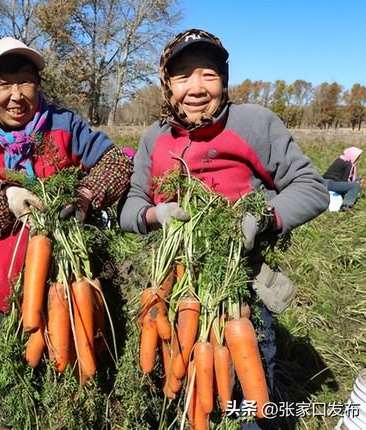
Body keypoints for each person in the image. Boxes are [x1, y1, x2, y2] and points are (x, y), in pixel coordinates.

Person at [118, 29, 328, 429]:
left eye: (208, 75)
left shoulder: (255, 124)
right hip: (176, 289)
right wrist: (154, 215)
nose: (196, 88)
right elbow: (131, 207)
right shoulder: (154, 138)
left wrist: (264, 217)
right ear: (168, 85)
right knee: (178, 379)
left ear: (224, 81)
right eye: (182, 76)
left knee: (254, 386)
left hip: (241, 288)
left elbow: (312, 187)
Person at [0, 37, 132, 360]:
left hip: (67, 292)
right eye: (4, 84)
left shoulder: (63, 125)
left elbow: (117, 162)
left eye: (25, 81)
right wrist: (4, 199)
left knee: (70, 375)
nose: (16, 95)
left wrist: (85, 195)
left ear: (38, 85)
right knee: (5, 388)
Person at [323, 147, 364, 211]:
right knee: (355, 186)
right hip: (330, 184)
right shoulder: (348, 164)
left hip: (324, 182)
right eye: (357, 157)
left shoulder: (341, 159)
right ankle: (346, 206)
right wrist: (357, 186)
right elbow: (345, 180)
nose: (357, 159)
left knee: (356, 180)